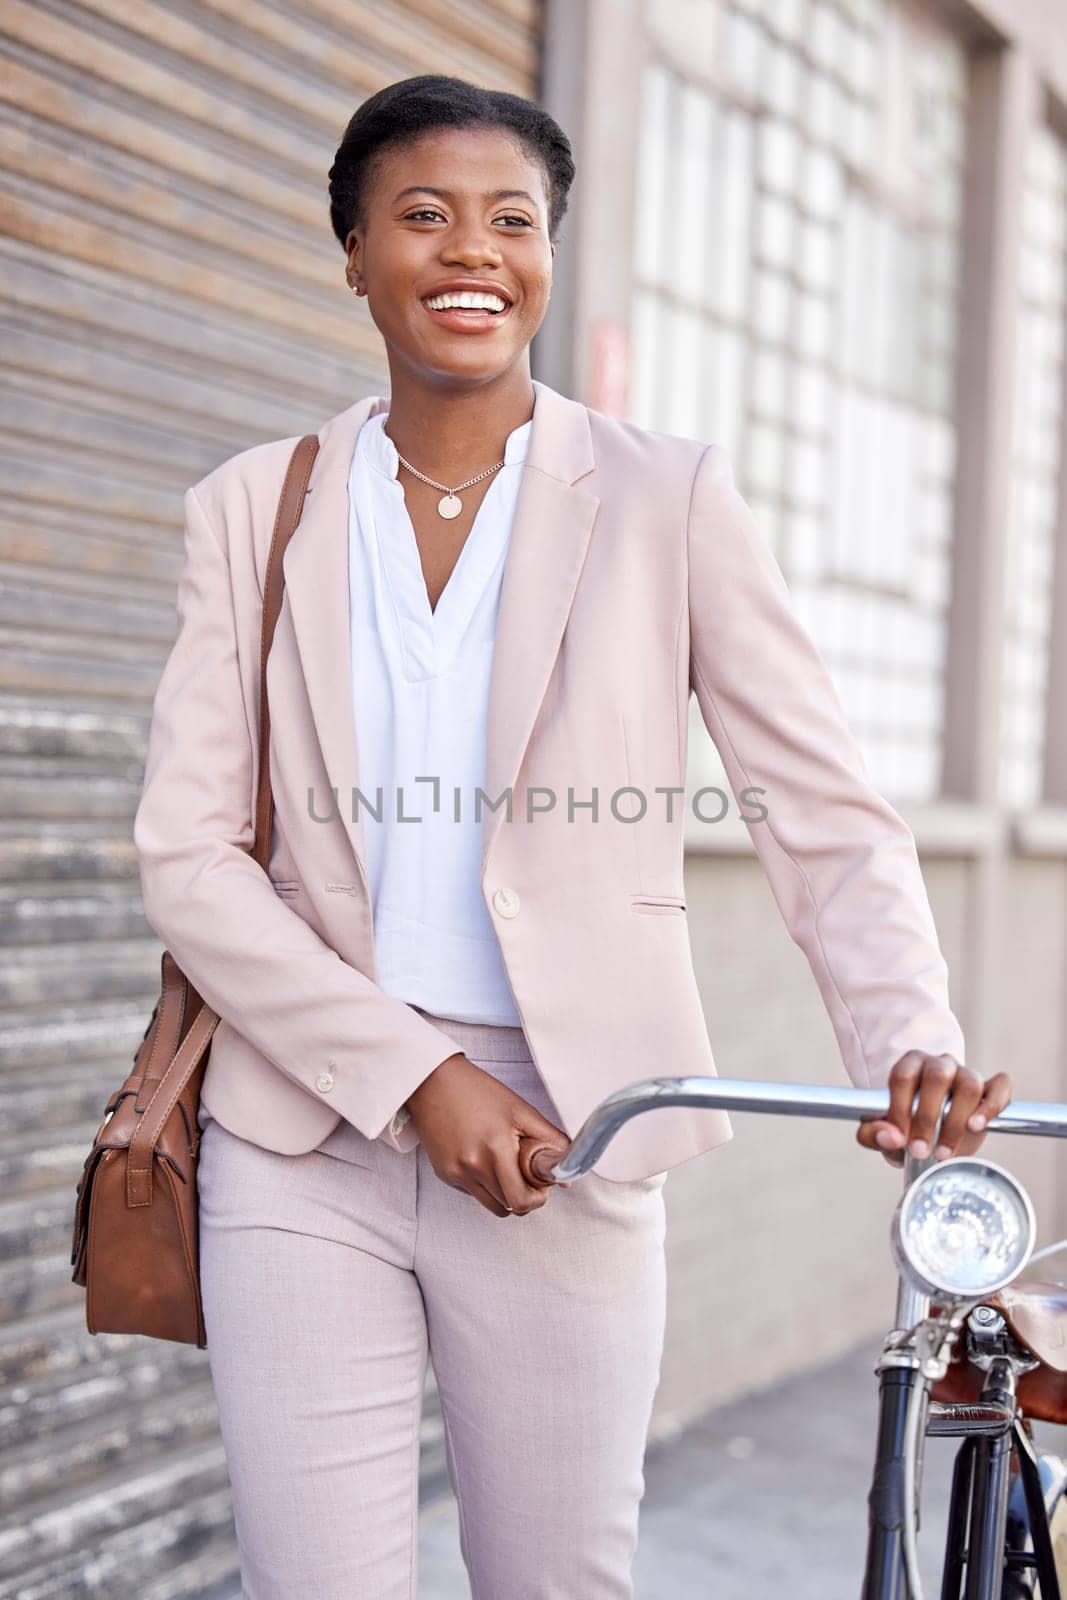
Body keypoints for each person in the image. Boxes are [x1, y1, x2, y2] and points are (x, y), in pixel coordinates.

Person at [133, 73, 1012, 1600]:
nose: (470, 252)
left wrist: (905, 1033)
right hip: (298, 1135)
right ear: (352, 252)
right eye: (421, 216)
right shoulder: (249, 512)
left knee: (556, 1582)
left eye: (510, 220)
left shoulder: (668, 499)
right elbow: (189, 858)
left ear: (549, 252)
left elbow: (818, 810)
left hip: (572, 1137)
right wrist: (418, 1074)